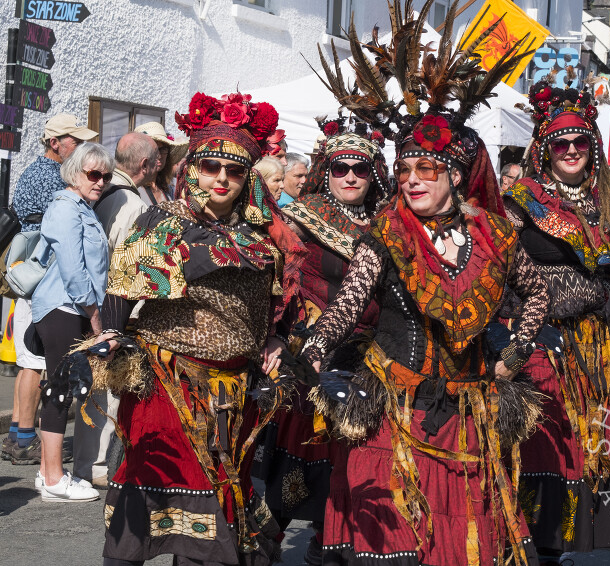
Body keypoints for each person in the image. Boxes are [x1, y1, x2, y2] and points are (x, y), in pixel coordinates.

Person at [300, 5, 550, 563]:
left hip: (466, 413)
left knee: (460, 544)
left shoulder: (494, 236)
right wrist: (314, 353)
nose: (411, 181)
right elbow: (346, 307)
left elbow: (538, 292)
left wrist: (514, 354)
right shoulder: (387, 235)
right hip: (393, 409)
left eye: (427, 172)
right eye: (405, 171)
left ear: (456, 177)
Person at [96, 91, 304, 565]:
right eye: (212, 168)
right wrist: (109, 336)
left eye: (233, 172)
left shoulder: (263, 231)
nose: (223, 180)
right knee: (157, 503)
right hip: (168, 388)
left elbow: (283, 300)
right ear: (192, 169)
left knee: (212, 522)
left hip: (234, 394)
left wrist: (274, 335)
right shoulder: (162, 222)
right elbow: (122, 288)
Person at [503, 82, 610, 562]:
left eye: (581, 142)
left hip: (593, 347)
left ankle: (558, 549)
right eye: (562, 143)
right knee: (542, 444)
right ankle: (529, 545)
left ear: (594, 147)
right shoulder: (521, 200)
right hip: (539, 339)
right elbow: (496, 266)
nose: (572, 151)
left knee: (583, 447)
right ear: (545, 148)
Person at [255, 123, 390, 564]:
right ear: (325, 172)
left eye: (360, 169)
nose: (350, 177)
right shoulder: (301, 214)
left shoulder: (388, 222)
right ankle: (262, 544)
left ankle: (326, 543)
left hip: (366, 357)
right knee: (299, 459)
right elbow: (273, 277)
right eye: (340, 168)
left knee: (352, 460)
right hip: (312, 352)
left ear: (374, 174)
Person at [3, 114, 97, 466]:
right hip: (40, 279)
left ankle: (18, 433)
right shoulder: (49, 175)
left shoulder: (41, 172)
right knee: (32, 362)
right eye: (74, 140)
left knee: (29, 359)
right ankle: (25, 440)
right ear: (55, 143)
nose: (79, 146)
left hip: (35, 277)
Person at [77, 132, 159, 489]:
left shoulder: (106, 193)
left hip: (92, 301)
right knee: (108, 388)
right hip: (111, 306)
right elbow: (128, 265)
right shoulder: (131, 203)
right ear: (145, 165)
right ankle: (93, 463)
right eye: (157, 160)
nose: (160, 166)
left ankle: (88, 460)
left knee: (97, 385)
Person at [32, 142, 114, 502]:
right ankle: (52, 478)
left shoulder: (83, 207)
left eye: (105, 176)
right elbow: (73, 268)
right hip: (64, 308)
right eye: (93, 174)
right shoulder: (66, 208)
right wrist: (94, 313)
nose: (99, 182)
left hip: (71, 309)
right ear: (75, 173)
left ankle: (46, 473)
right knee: (60, 392)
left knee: (62, 389)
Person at [134, 121, 189, 204]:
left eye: (163, 149)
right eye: (154, 149)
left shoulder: (168, 187)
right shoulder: (134, 189)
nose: (159, 155)